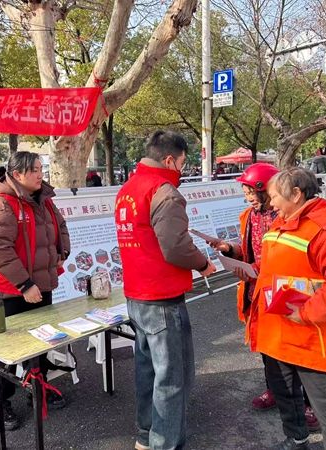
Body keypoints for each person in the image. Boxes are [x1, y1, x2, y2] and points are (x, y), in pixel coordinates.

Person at [248, 167, 326, 450]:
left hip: (311, 338)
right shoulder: (282, 221)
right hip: (278, 335)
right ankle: (296, 439)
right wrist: (250, 268)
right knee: (286, 396)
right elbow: (275, 264)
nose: (271, 202)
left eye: (275, 196)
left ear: (296, 194)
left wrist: (305, 313)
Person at [115, 130, 216, 450]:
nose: (182, 170)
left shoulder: (128, 189)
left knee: (147, 370)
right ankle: (165, 443)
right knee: (172, 377)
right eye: (183, 163)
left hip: (136, 294)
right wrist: (203, 264)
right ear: (170, 159)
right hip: (162, 296)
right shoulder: (164, 191)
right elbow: (175, 247)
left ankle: (146, 435)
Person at [209, 163, 319, 431]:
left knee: (295, 349)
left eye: (251, 192)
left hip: (284, 290)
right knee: (267, 346)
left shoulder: (287, 217)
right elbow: (249, 249)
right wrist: (229, 249)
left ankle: (308, 403)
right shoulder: (249, 216)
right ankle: (275, 390)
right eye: (245, 193)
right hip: (257, 290)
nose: (248, 198)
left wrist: (259, 269)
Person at [0, 151, 71, 431]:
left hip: (40, 285)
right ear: (17, 174)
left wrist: (62, 252)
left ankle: (37, 389)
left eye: (42, 168)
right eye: (35, 170)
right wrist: (24, 284)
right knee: (5, 352)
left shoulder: (43, 199)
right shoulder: (1, 204)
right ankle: (0, 403)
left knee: (40, 344)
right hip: (8, 291)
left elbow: (60, 226)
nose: (40, 174)